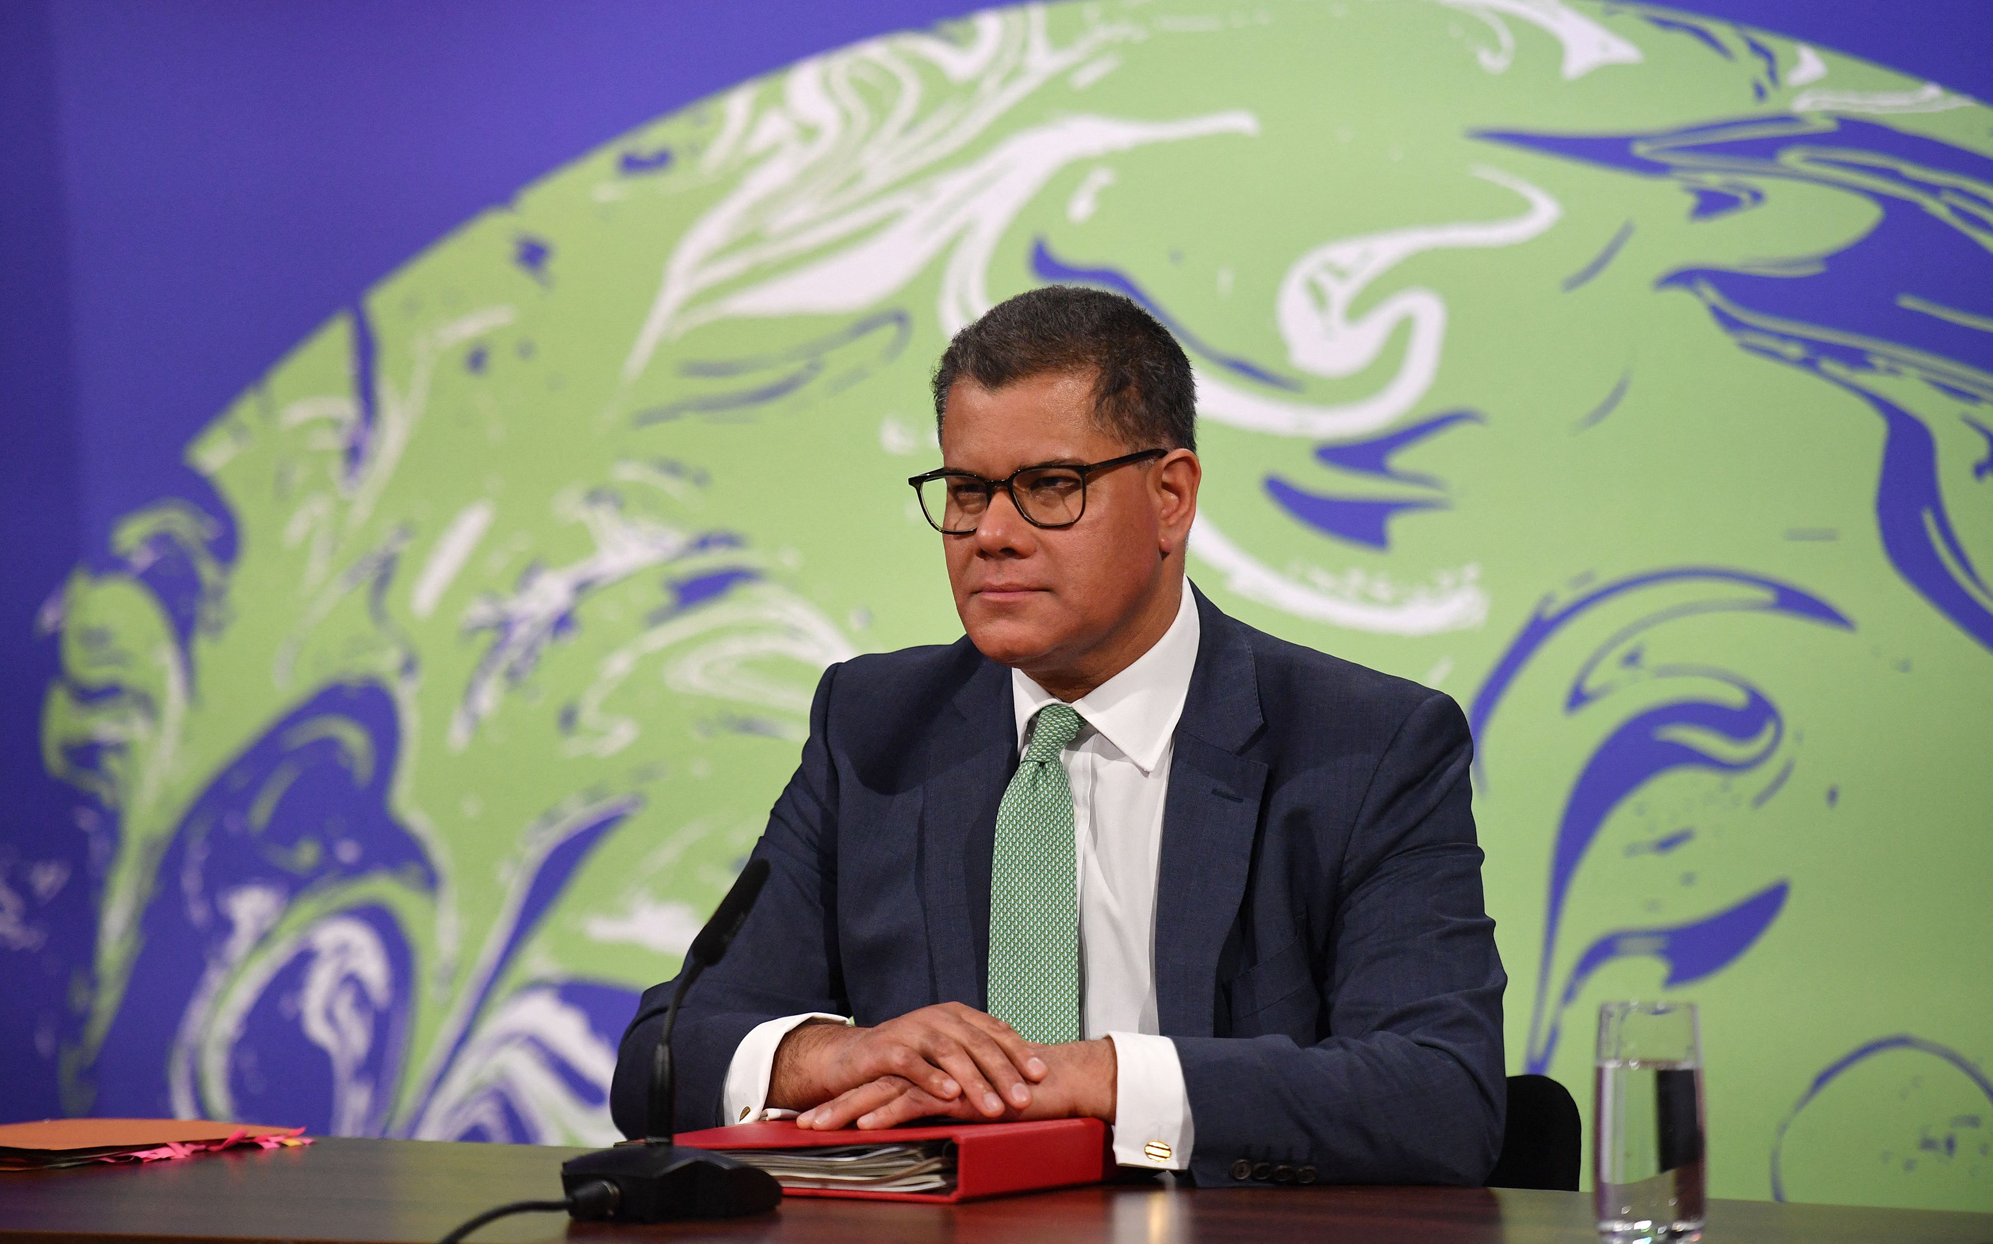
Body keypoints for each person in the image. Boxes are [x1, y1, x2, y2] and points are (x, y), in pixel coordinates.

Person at [610, 285, 1507, 1187]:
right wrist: (826, 1055)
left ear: (1171, 496)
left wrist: (1103, 1077)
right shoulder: (872, 727)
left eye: (1050, 487)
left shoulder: (1364, 746)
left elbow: (1440, 1096)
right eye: (966, 490)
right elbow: (660, 1055)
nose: (992, 534)